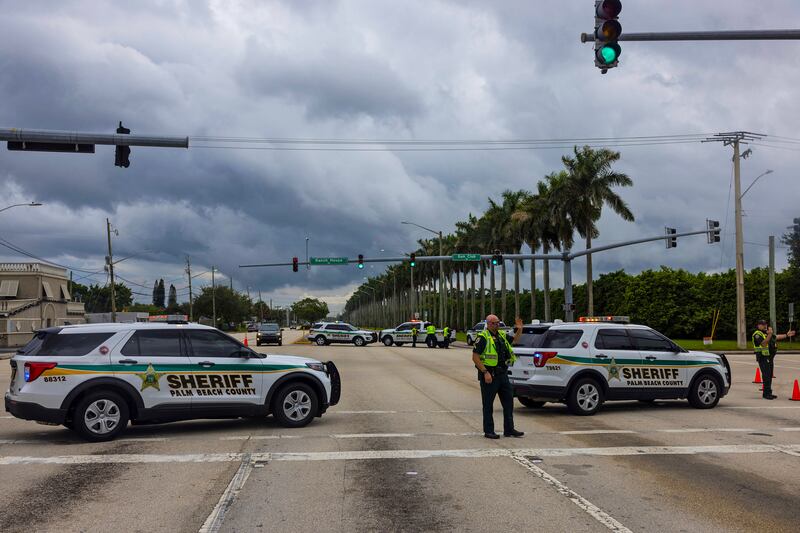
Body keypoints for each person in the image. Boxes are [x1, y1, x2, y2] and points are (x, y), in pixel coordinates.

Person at [472, 314, 524, 439]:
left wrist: (520, 328)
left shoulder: (501, 335)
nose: (497, 325)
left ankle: (509, 429)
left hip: (502, 375)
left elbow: (515, 340)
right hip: (490, 375)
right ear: (489, 324)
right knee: (488, 405)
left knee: (508, 402)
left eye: (498, 323)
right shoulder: (483, 337)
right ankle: (489, 431)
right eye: (495, 323)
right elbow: (475, 357)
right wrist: (485, 372)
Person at [752, 319, 795, 399]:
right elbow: (764, 343)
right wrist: (770, 334)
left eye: (765, 324)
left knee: (769, 375)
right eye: (762, 324)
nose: (765, 326)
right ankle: (766, 394)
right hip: (762, 357)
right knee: (766, 376)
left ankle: (769, 392)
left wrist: (786, 335)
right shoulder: (757, 334)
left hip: (769, 358)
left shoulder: (766, 333)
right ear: (758, 325)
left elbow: (776, 337)